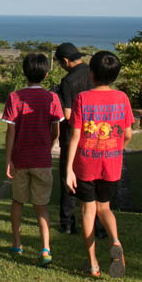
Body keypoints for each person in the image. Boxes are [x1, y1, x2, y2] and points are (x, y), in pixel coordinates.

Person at [64, 51, 134, 278]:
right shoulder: (122, 98)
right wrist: (116, 146)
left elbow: (74, 136)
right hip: (111, 163)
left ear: (91, 74)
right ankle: (115, 240)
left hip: (86, 163)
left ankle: (93, 263)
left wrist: (68, 169)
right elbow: (128, 133)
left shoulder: (82, 99)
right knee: (105, 208)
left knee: (87, 210)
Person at [1, 53, 64, 266]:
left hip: (20, 160)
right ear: (46, 74)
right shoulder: (52, 98)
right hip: (42, 160)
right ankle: (45, 248)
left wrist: (8, 158)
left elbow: (10, 132)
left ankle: (17, 243)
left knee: (18, 201)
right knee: (41, 205)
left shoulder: (14, 97)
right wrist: (48, 145)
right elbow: (56, 130)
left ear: (24, 72)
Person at [54, 42, 94, 235]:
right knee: (94, 180)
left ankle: (68, 223)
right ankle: (99, 226)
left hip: (72, 136)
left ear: (65, 61)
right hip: (94, 133)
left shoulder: (68, 81)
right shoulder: (94, 73)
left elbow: (68, 115)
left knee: (68, 179)